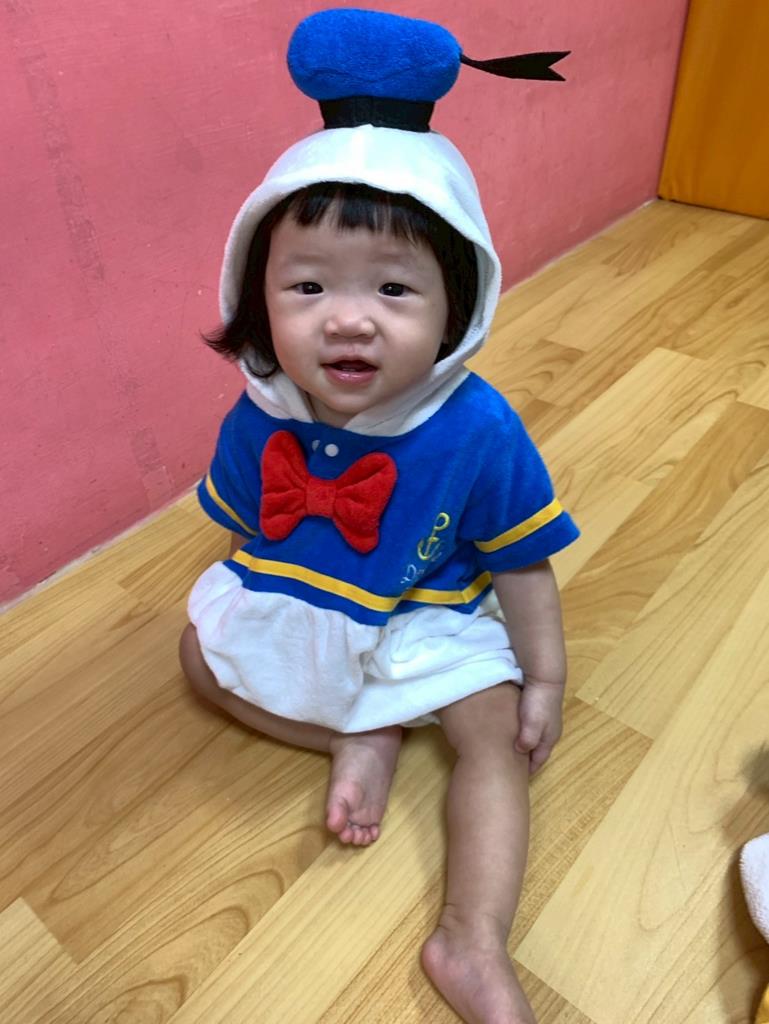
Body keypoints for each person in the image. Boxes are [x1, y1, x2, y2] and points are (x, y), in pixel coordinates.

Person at [179, 10, 575, 1023]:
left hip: (424, 611)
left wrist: (542, 675)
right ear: (257, 296)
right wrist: (267, 629)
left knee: (494, 735)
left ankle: (470, 939)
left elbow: (522, 563)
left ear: (457, 306)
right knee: (196, 657)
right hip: (307, 593)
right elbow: (244, 536)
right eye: (306, 285)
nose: (347, 318)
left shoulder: (476, 428)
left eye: (394, 288)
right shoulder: (258, 412)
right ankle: (360, 736)